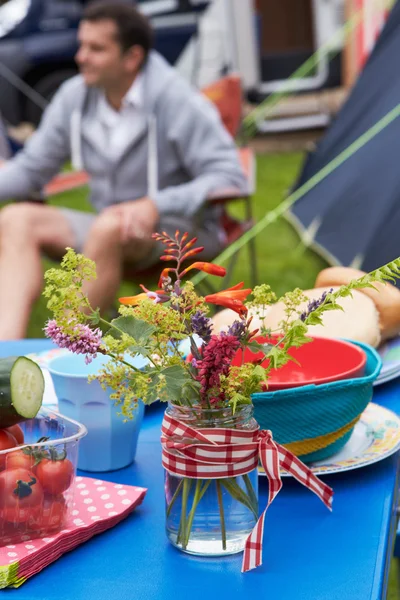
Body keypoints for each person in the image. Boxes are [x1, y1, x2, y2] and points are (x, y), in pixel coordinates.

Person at [0, 1, 247, 339]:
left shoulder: (177, 99)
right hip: (109, 227)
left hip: (181, 233)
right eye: (82, 45)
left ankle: (61, 351)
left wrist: (154, 205)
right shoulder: (75, 96)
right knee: (15, 219)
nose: (80, 57)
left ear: (132, 57)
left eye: (96, 48)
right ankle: (5, 356)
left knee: (108, 226)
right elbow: (30, 170)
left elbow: (230, 175)